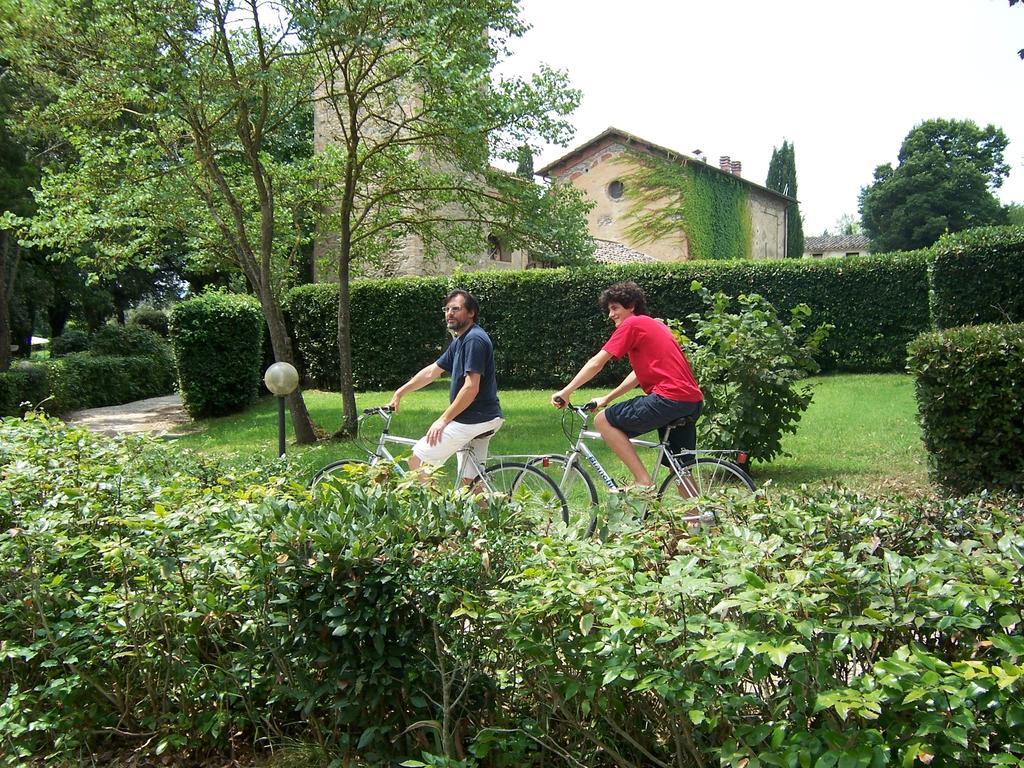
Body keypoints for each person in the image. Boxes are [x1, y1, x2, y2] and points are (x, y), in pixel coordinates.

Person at [551, 281, 703, 490]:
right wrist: (607, 398)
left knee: (603, 420)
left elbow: (597, 362)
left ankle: (642, 481)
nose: (610, 314)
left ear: (631, 305)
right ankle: (698, 518)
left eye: (615, 308)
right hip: (690, 401)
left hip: (668, 398)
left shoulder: (632, 324)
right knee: (679, 467)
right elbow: (638, 375)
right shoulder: (654, 324)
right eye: (609, 309)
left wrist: (566, 391)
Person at [388, 289, 503, 485]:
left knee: (416, 458)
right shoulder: (461, 341)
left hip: (473, 419)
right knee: (471, 482)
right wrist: (400, 392)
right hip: (484, 417)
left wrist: (443, 420)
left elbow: (471, 388)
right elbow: (432, 371)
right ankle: (497, 515)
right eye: (447, 309)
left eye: (456, 309)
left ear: (471, 312)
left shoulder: (474, 340)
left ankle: (437, 513)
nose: (449, 313)